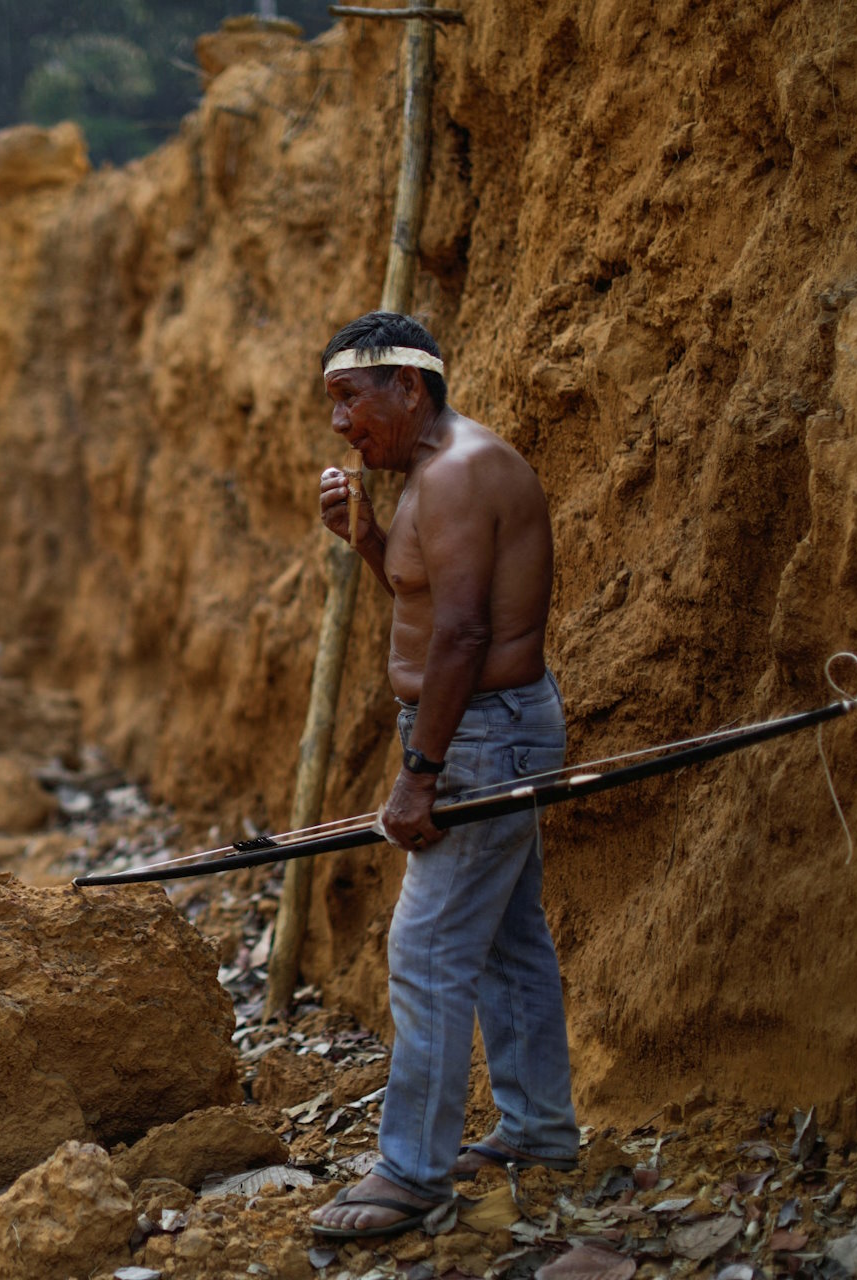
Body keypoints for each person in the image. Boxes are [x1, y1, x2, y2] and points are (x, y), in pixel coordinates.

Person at [306, 312, 579, 1241]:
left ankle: (411, 1173)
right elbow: (430, 603)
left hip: (479, 737)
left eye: (352, 398)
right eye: (333, 402)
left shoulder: (460, 472)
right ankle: (539, 1129)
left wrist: (420, 774)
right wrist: (370, 540)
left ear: (409, 390)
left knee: (424, 955)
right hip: (481, 730)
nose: (341, 423)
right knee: (507, 940)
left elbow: (463, 636)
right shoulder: (433, 472)